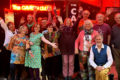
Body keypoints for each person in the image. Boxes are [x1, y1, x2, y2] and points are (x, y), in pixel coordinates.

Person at [111, 13, 120, 80]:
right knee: (117, 65)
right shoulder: (113, 27)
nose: (118, 19)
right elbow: (112, 37)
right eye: (116, 18)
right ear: (114, 19)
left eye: (119, 17)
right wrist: (112, 44)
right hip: (116, 49)